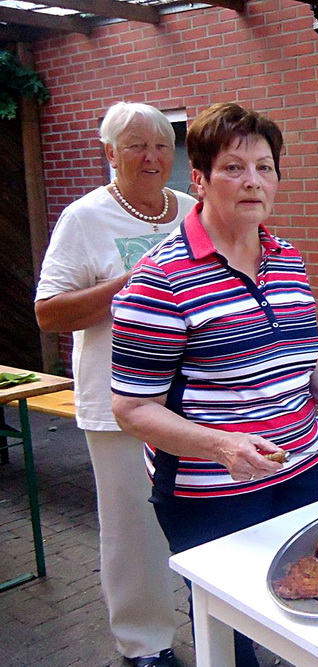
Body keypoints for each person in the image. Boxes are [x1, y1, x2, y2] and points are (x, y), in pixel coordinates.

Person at [109, 102, 318, 667]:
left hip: (307, 465)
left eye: (265, 167)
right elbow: (131, 408)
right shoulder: (159, 279)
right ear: (200, 180)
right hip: (209, 493)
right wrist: (221, 445)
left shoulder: (287, 259)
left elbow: (297, 355)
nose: (253, 181)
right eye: (234, 167)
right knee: (233, 633)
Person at [34, 102, 198, 667]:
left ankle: (221, 627)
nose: (151, 156)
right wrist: (131, 284)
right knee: (134, 529)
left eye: (160, 143)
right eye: (135, 145)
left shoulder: (194, 210)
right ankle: (144, 642)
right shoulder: (85, 218)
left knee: (207, 517)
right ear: (109, 153)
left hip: (197, 399)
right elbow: (49, 313)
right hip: (119, 402)